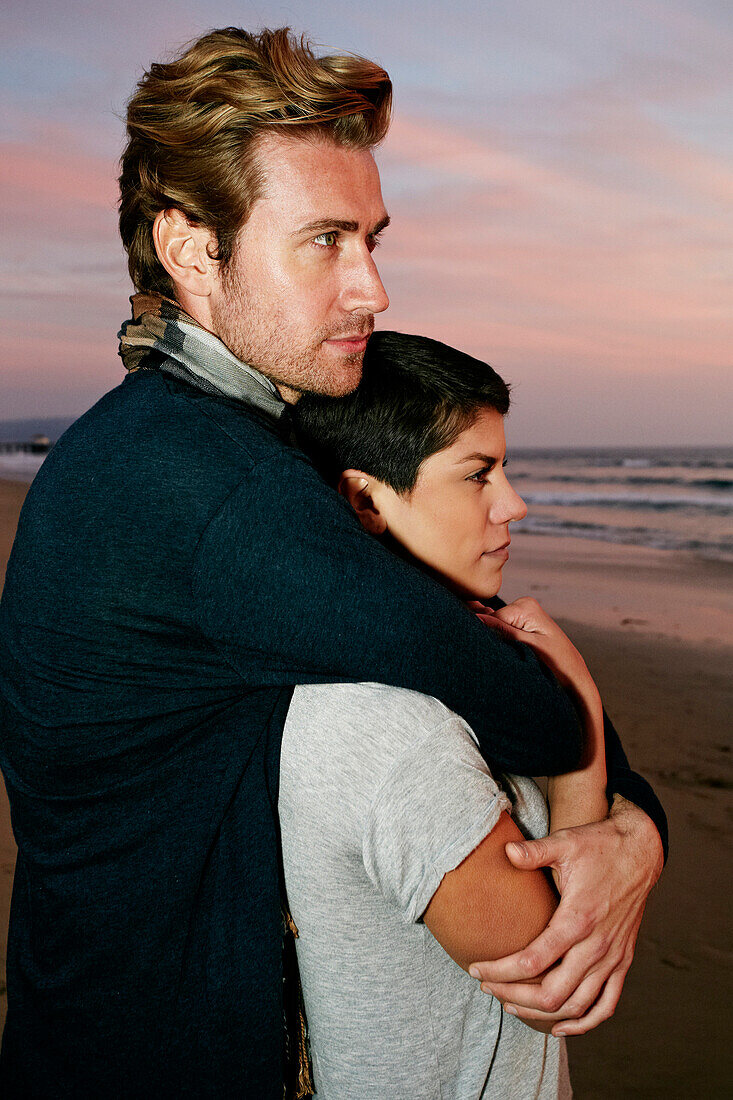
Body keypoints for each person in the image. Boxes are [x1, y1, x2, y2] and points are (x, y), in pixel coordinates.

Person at [0, 27, 665, 1099]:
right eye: (323, 241)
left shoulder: (182, 439)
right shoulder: (211, 484)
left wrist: (636, 831)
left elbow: (450, 638)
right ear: (190, 250)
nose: (372, 288)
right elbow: (526, 700)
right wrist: (610, 796)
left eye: (372, 238)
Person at [282, 332, 610, 1097]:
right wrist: (582, 719)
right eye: (477, 475)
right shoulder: (389, 733)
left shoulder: (428, 670)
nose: (514, 503)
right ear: (364, 499)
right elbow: (561, 983)